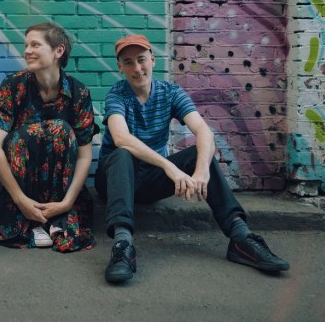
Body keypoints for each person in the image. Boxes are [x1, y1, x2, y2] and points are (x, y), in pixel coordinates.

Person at [95, 35, 289, 283]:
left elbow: (204, 132)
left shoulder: (170, 93)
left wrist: (201, 171)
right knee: (122, 153)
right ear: (120, 67)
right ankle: (123, 246)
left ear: (152, 60)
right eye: (128, 62)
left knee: (201, 153)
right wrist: (169, 166)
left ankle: (241, 237)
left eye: (141, 60)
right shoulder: (117, 94)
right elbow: (121, 138)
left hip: (150, 181)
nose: (137, 68)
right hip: (114, 180)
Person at [0, 22, 97, 252]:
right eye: (26, 45)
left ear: (58, 51)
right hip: (16, 185)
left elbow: (85, 155)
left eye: (35, 45)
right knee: (30, 134)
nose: (27, 51)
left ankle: (55, 217)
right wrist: (20, 200)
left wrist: (67, 203)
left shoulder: (78, 93)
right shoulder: (13, 86)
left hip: (58, 189)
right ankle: (31, 220)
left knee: (61, 130)